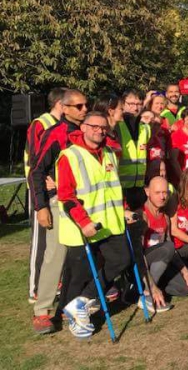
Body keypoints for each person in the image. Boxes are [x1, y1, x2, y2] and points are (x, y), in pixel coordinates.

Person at [57, 112, 131, 339]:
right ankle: (75, 318)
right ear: (84, 127)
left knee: (122, 259)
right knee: (79, 274)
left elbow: (114, 186)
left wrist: (125, 208)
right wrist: (84, 221)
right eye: (95, 126)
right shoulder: (70, 155)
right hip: (81, 226)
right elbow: (66, 196)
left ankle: (80, 303)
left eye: (103, 127)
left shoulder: (109, 152)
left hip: (110, 224)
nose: (99, 131)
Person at [27, 88, 87, 335]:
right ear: (65, 108)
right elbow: (37, 171)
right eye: (79, 106)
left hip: (85, 203)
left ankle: (74, 302)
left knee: (81, 255)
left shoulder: (88, 131)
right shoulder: (55, 134)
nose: (84, 109)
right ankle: (42, 311)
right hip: (57, 204)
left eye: (86, 105)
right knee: (55, 256)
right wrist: (41, 206)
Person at [25, 87, 64, 309]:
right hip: (38, 189)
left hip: (55, 189)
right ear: (60, 104)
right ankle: (35, 289)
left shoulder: (62, 127)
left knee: (53, 243)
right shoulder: (40, 124)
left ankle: (54, 283)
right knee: (40, 242)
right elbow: (36, 159)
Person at [139, 176, 188, 306]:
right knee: (167, 247)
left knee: (186, 288)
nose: (162, 197)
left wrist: (185, 271)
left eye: (165, 193)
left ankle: (154, 288)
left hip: (161, 261)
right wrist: (151, 286)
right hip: (143, 265)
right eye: (157, 193)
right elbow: (138, 256)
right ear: (147, 192)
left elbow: (171, 250)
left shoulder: (165, 216)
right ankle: (147, 292)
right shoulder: (142, 215)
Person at [117, 89, 152, 209]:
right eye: (131, 104)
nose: (135, 108)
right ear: (123, 104)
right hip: (121, 187)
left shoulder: (145, 128)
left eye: (138, 104)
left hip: (140, 186)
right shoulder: (117, 127)